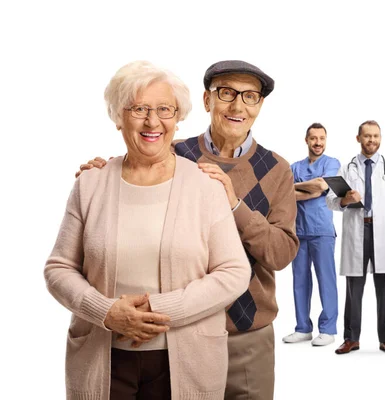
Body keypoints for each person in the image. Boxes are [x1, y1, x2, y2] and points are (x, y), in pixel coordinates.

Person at [78, 60, 298, 400]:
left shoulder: (278, 168)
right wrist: (101, 172)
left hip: (245, 334)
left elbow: (282, 253)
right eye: (226, 93)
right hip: (177, 333)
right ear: (207, 101)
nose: (237, 105)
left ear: (259, 106)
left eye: (250, 96)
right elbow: (132, 172)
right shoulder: (173, 152)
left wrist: (235, 206)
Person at [45, 60, 251, 400]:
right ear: (118, 117)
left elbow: (234, 272)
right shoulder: (91, 184)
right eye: (139, 108)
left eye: (164, 109)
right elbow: (58, 269)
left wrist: (161, 308)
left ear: (178, 115)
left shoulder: (205, 186)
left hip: (187, 360)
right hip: (103, 359)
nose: (152, 121)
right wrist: (106, 312)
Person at [326, 120, 385, 355]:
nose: (371, 140)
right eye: (367, 136)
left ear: (380, 138)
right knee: (354, 287)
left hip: (384, 232)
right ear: (358, 138)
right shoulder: (347, 168)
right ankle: (351, 338)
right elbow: (330, 201)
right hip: (357, 229)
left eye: (375, 136)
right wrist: (345, 200)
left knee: (384, 286)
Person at [282, 123, 341, 347]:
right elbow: (286, 194)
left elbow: (322, 186)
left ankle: (328, 329)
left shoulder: (332, 163)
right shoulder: (294, 166)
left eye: (322, 138)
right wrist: (309, 188)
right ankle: (303, 328)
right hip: (298, 231)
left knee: (326, 280)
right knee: (300, 281)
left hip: (322, 231)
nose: (318, 143)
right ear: (306, 140)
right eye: (314, 138)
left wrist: (298, 187)